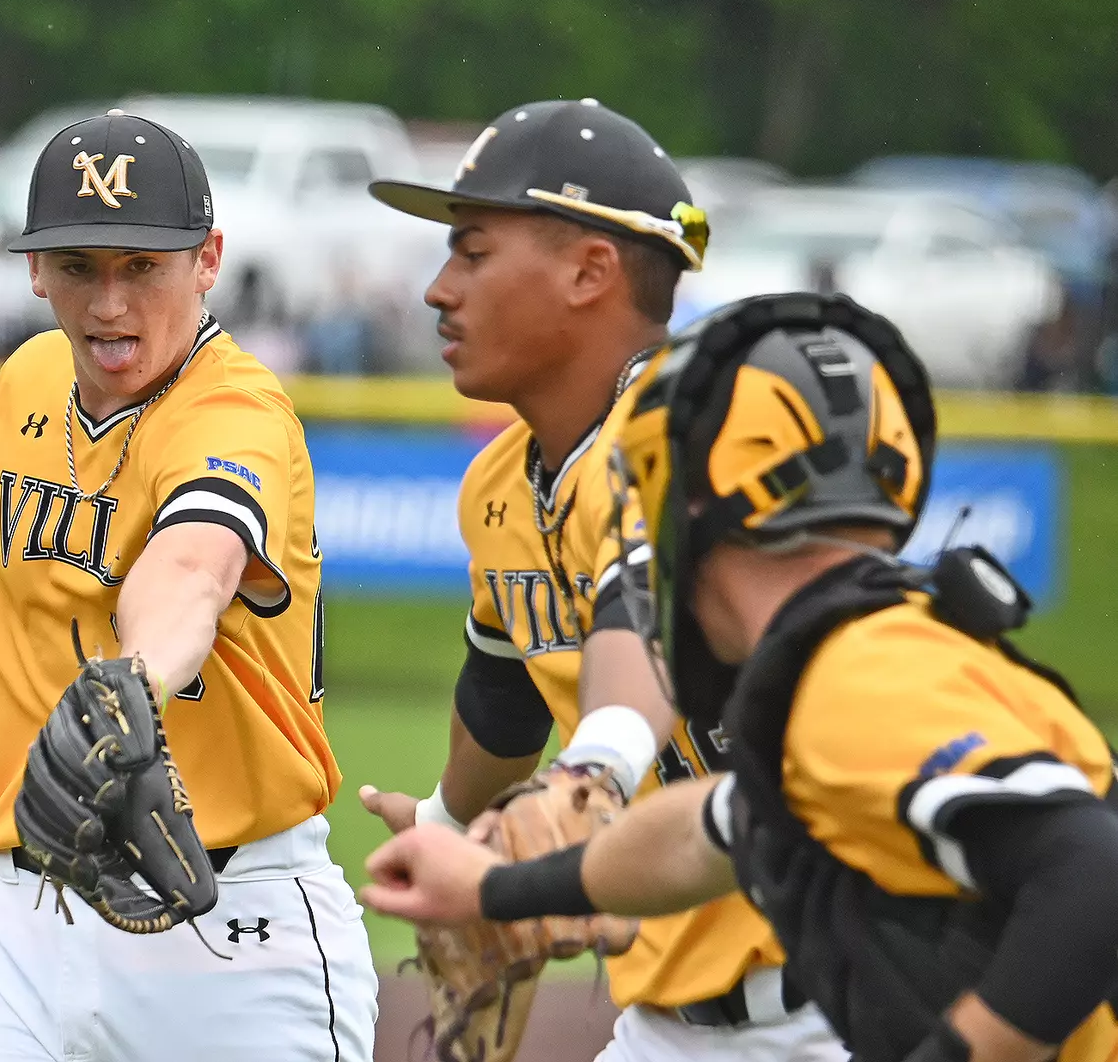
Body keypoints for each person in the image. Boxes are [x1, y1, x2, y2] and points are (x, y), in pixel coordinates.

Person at [360, 293, 1118, 1062]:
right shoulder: (834, 666)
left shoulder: (861, 670)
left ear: (697, 511)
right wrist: (493, 888)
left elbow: (1095, 869)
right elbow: (705, 835)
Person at [0, 109, 376, 1062]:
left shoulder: (235, 412)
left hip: (234, 935)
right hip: (27, 919)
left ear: (208, 259)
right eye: (79, 266)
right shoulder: (24, 383)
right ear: (32, 270)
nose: (109, 304)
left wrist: (125, 687)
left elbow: (193, 566)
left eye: (143, 266)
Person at [357, 100, 846, 1062]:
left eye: (473, 252)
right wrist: (452, 824)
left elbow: (646, 631)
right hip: (667, 1019)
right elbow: (500, 710)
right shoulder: (500, 482)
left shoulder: (709, 429)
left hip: (860, 993)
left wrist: (596, 774)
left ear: (590, 270)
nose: (438, 290)